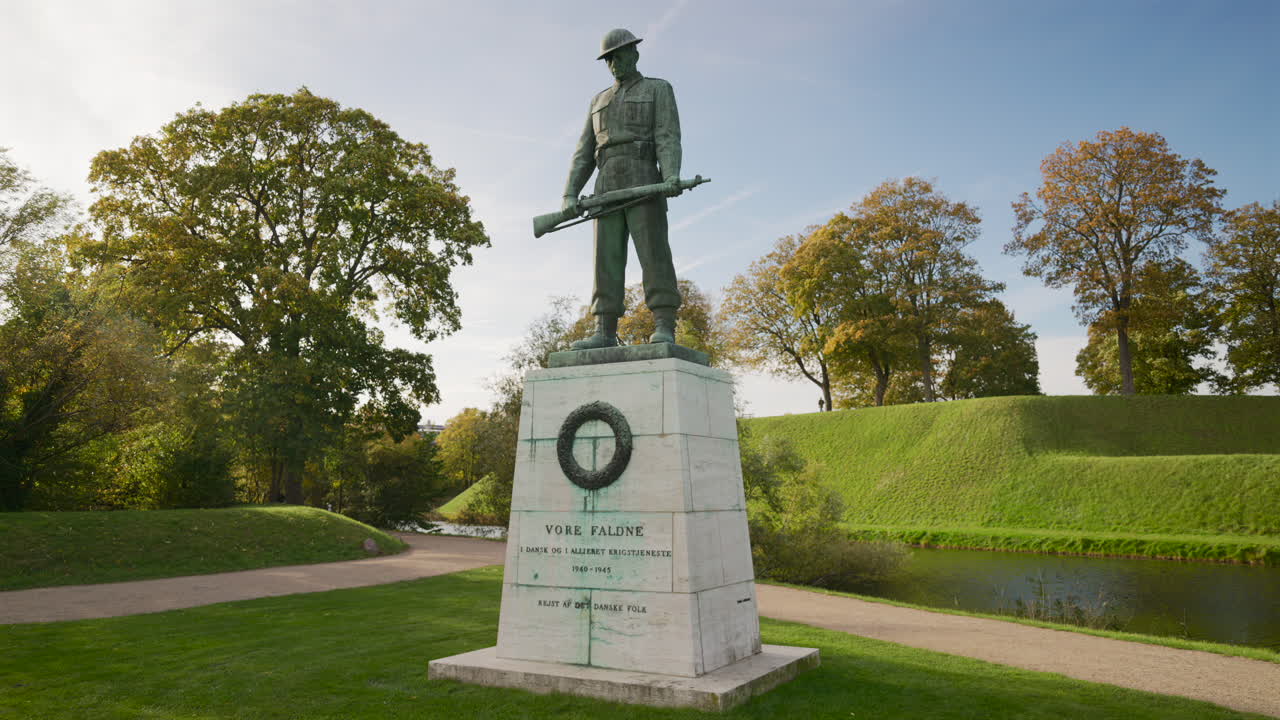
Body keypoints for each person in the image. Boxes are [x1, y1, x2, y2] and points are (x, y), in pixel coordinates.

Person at [562, 28, 684, 350]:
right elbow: (583, 153)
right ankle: (604, 329)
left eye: (619, 55)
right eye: (609, 59)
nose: (614, 63)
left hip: (645, 177)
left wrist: (671, 175)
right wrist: (570, 193)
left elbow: (668, 135)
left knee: (654, 254)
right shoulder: (597, 101)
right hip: (606, 184)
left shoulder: (658, 89)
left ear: (635, 53)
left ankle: (664, 323)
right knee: (606, 260)